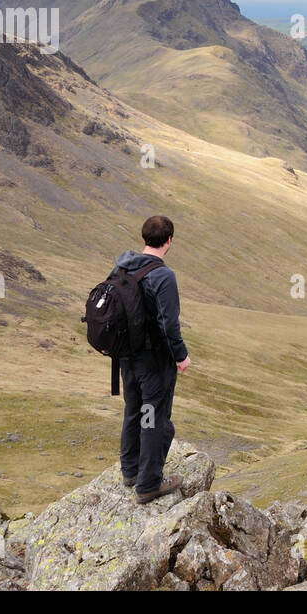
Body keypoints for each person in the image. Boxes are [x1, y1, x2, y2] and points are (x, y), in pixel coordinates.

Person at [115, 215, 192, 504]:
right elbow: (169, 323)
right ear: (169, 240)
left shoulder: (123, 265)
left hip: (126, 356)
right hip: (152, 362)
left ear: (144, 237)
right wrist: (181, 356)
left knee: (134, 410)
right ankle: (148, 484)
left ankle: (130, 471)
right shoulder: (163, 276)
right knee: (153, 417)